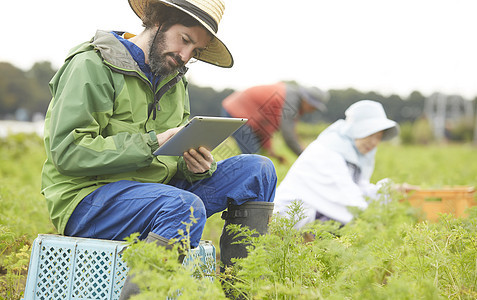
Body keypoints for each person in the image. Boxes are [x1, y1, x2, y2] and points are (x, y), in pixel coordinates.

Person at [40, 0, 276, 298]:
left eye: (196, 52)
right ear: (157, 21)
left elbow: (172, 155)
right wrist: (153, 142)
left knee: (258, 171)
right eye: (185, 40)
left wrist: (195, 166)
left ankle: (241, 293)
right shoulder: (91, 64)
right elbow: (68, 151)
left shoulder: (173, 79)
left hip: (156, 195)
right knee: (182, 206)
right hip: (89, 199)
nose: (185, 56)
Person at [274, 100, 405, 229]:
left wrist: (389, 191)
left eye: (378, 137)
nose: (373, 142)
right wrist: (378, 225)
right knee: (351, 229)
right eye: (369, 134)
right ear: (355, 129)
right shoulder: (329, 151)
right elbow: (347, 198)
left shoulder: (350, 151)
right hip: (288, 220)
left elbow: (360, 189)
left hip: (312, 216)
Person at [221, 82, 330, 162]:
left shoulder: (291, 97)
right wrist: (305, 156)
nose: (312, 110)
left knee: (255, 159)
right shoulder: (291, 101)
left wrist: (269, 149)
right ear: (307, 100)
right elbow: (288, 135)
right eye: (314, 107)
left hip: (240, 113)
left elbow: (266, 124)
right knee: (253, 160)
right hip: (237, 113)